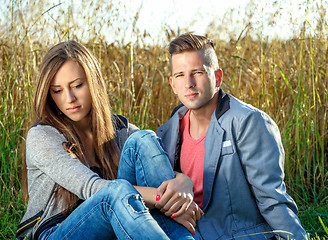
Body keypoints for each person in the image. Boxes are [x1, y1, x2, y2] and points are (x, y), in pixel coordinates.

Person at [16, 40, 201, 240]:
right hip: (56, 232)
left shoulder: (119, 129)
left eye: (77, 85)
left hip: (112, 227)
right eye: (57, 90)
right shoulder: (43, 135)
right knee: (114, 193)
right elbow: (93, 188)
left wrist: (183, 182)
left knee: (144, 138)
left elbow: (152, 166)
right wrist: (166, 199)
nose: (69, 98)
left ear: (93, 83)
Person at [157, 33, 308, 240]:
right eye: (180, 75)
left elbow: (272, 198)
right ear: (173, 84)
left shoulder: (249, 122)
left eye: (198, 72)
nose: (189, 83)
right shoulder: (167, 131)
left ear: (217, 77)